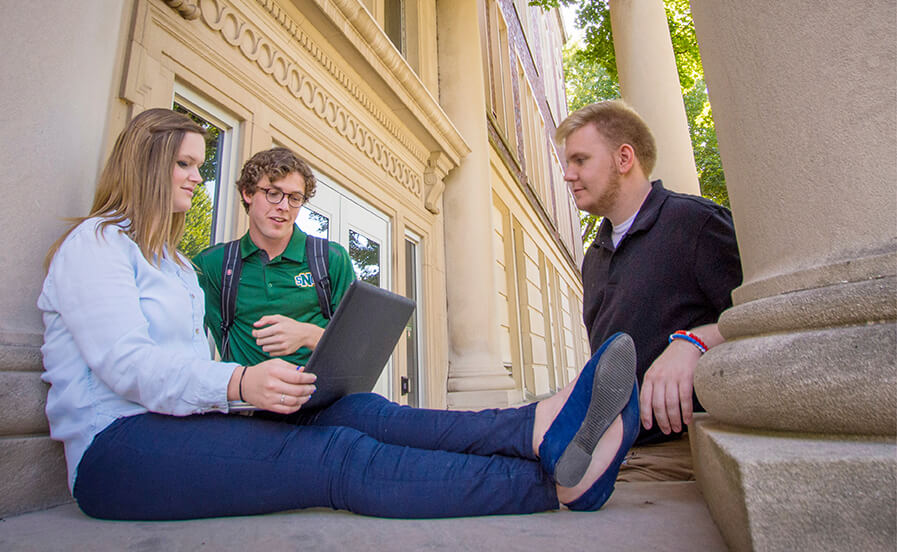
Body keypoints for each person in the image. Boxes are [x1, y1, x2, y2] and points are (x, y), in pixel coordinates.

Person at [39, 107, 641, 521]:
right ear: (147, 165)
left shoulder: (170, 265)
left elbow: (188, 365)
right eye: (186, 165)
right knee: (336, 458)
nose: (199, 178)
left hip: (184, 422)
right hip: (114, 451)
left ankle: (535, 426)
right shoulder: (98, 245)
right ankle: (553, 486)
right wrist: (240, 381)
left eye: (200, 164)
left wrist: (248, 392)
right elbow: (126, 366)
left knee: (361, 412)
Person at [557, 100, 742, 481]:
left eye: (579, 160)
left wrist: (695, 341)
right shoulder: (595, 255)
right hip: (611, 450)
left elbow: (762, 318)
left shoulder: (697, 224)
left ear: (624, 158)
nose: (567, 175)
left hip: (680, 452)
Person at [193, 147, 355, 368]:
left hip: (321, 398)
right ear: (247, 193)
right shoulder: (212, 264)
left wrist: (309, 335)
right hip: (246, 399)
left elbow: (357, 347)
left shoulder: (330, 259)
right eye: (273, 193)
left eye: (295, 198)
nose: (284, 206)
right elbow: (185, 343)